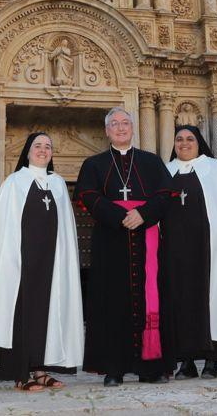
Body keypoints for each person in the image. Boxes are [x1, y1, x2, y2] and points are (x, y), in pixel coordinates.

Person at [75, 107, 174, 386]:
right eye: (114, 124)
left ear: (133, 128)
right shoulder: (93, 164)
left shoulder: (151, 162)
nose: (120, 128)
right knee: (111, 302)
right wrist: (120, 216)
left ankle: (150, 368)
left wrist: (143, 214)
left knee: (149, 299)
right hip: (110, 240)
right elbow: (88, 196)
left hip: (147, 241)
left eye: (125, 123)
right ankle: (113, 369)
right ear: (106, 130)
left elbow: (166, 194)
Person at [0, 133, 83, 391]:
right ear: (27, 152)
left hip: (52, 261)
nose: (42, 150)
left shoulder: (58, 184)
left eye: (48, 147)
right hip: (21, 259)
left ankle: (40, 369)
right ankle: (20, 372)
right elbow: (3, 223)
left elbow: (66, 229)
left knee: (47, 312)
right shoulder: (14, 181)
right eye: (37, 146)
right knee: (22, 313)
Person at [161, 125, 217, 380]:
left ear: (199, 143)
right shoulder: (167, 171)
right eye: (179, 139)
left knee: (212, 299)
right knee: (179, 300)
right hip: (175, 249)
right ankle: (185, 362)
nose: (184, 143)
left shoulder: (214, 168)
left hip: (209, 247)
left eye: (190, 139)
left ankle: (212, 361)